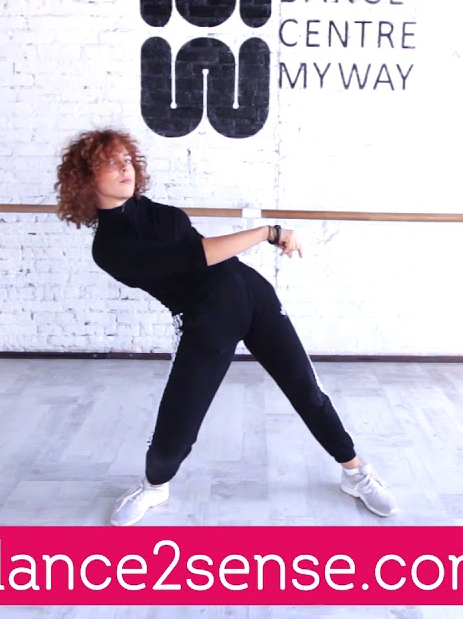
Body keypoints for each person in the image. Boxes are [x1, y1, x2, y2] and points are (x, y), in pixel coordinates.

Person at [54, 128, 398, 526]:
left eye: (127, 159)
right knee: (179, 421)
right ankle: (154, 486)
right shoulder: (110, 248)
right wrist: (269, 232)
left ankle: (355, 473)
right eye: (111, 163)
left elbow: (201, 252)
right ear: (86, 177)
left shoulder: (153, 210)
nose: (125, 168)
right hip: (206, 319)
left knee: (306, 390)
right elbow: (195, 256)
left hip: (252, 295)